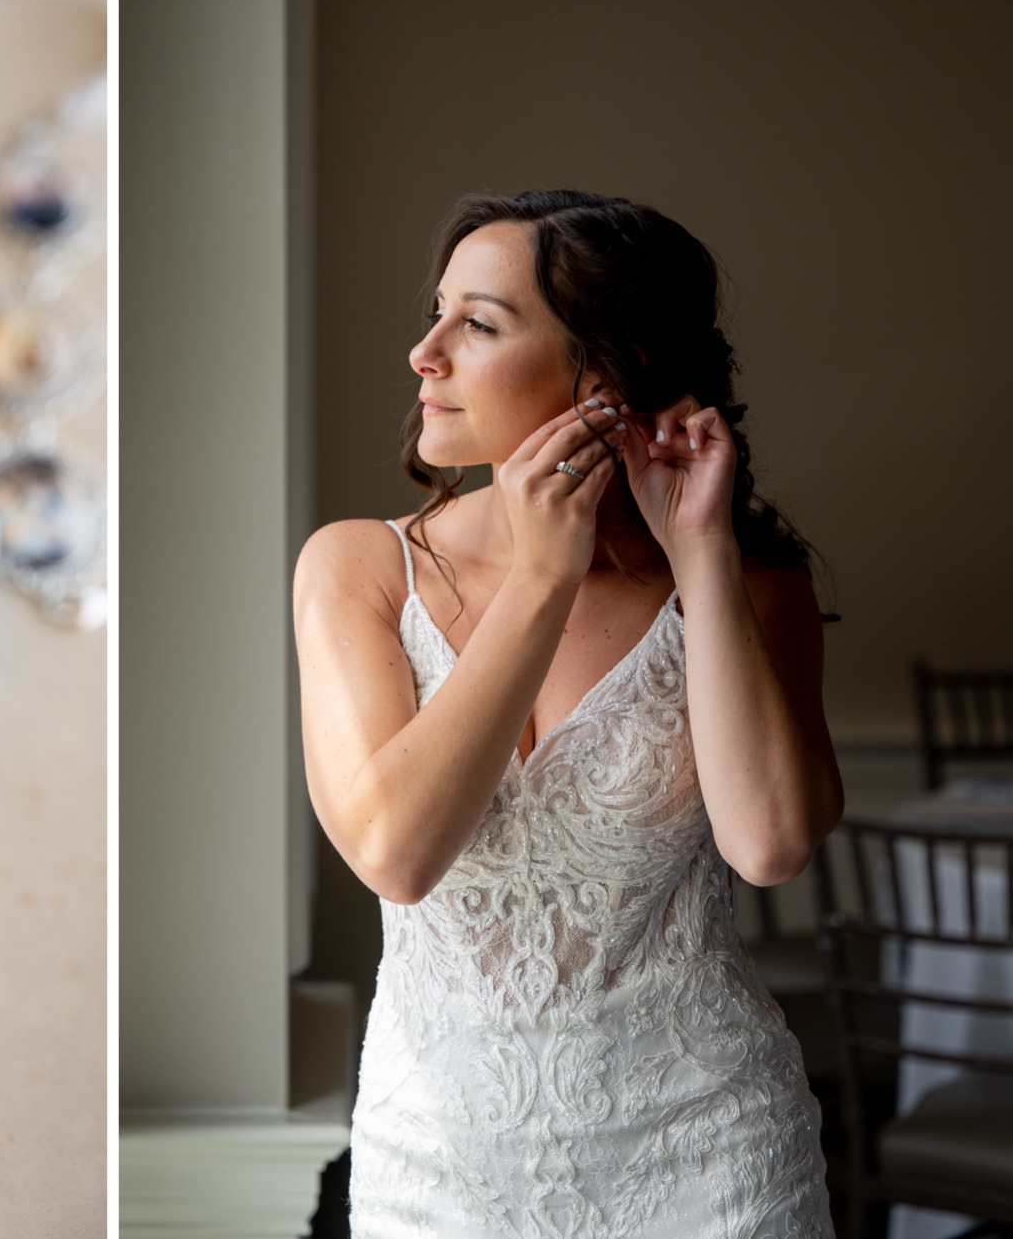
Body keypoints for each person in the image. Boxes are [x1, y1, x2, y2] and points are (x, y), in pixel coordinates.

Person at [293, 190, 842, 1238]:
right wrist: (543, 578)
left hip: (712, 1162)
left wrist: (705, 556)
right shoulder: (357, 567)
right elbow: (396, 853)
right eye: (436, 312)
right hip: (437, 1170)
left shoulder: (745, 584)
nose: (425, 353)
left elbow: (770, 844)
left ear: (604, 375)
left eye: (479, 324)